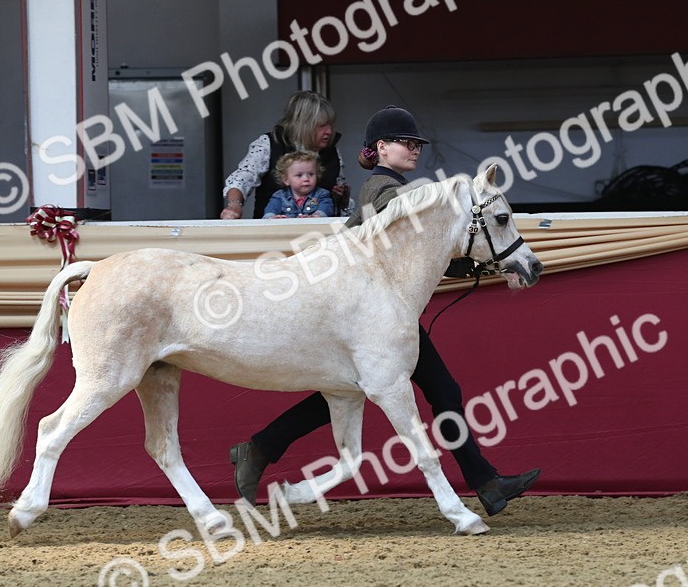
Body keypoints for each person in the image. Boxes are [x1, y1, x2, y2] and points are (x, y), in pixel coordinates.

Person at [230, 105, 541, 516]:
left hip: (384, 312)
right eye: (405, 143)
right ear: (382, 147)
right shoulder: (382, 189)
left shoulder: (399, 189)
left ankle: (485, 481)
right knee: (374, 389)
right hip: (372, 314)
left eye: (416, 144)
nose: (414, 150)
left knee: (383, 389)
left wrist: (498, 263)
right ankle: (261, 446)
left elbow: (426, 256)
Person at [220, 91, 349, 219]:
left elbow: (342, 205)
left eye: (330, 124)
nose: (329, 131)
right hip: (272, 233)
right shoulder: (268, 144)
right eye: (321, 126)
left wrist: (341, 197)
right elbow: (241, 179)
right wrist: (234, 205)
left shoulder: (333, 152)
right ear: (302, 125)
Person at [262, 152, 335, 218]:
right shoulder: (279, 196)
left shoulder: (322, 195)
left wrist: (316, 216)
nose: (306, 178)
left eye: (311, 174)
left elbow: (326, 210)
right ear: (286, 180)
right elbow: (269, 212)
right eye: (299, 175)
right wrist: (273, 218)